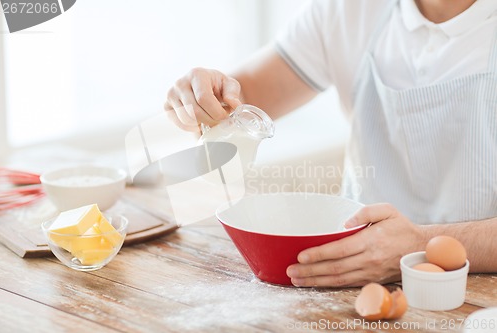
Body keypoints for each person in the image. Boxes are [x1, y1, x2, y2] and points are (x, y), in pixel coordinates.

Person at [164, 0, 497, 287]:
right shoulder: (349, 10)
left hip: (480, 289)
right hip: (345, 278)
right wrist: (201, 98)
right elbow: (237, 103)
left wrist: (419, 245)